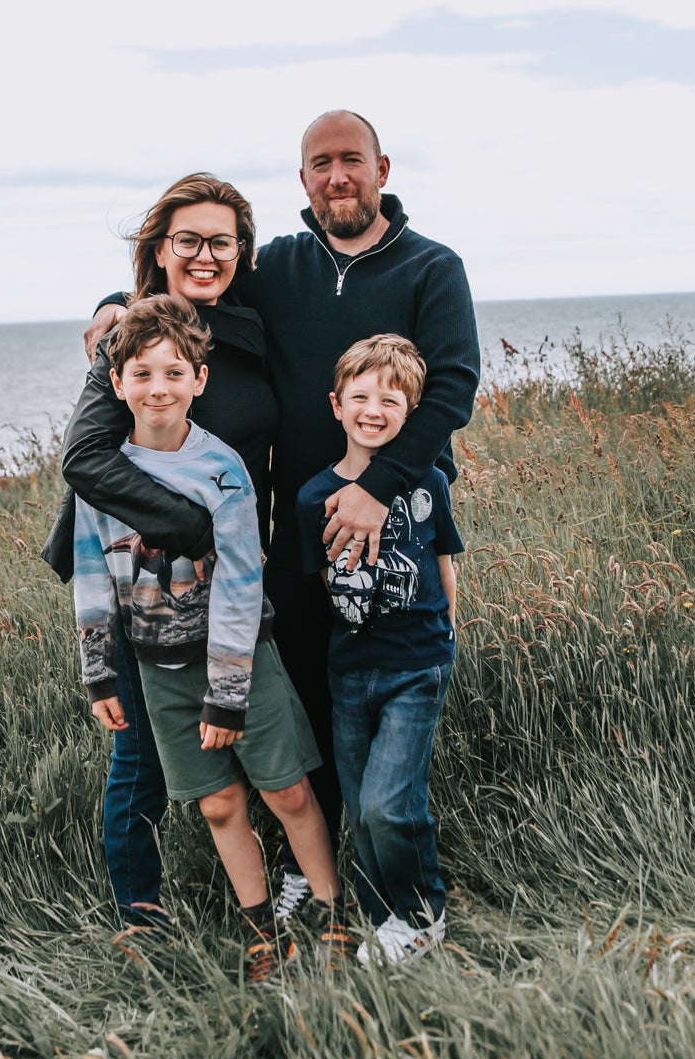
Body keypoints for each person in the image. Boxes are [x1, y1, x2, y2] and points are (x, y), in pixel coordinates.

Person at [78, 110, 480, 917]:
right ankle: (271, 878)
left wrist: (380, 487)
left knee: (368, 690)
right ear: (303, 180)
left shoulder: (433, 268)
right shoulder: (280, 267)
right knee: (291, 695)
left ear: (382, 168)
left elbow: (453, 389)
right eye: (321, 163)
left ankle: (382, 875)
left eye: (352, 161)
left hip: (379, 519)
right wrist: (109, 306)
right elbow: (185, 277)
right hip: (283, 533)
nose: (338, 176)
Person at [70, 294, 350, 980]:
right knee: (220, 802)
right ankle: (263, 932)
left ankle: (333, 912)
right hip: (159, 667)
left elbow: (239, 585)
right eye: (141, 374)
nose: (157, 387)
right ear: (117, 384)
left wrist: (227, 695)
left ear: (199, 380)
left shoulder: (222, 470)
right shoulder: (100, 472)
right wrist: (99, 672)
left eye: (173, 373)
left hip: (240, 660)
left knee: (285, 791)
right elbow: (89, 574)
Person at [44, 172, 278, 933]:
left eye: (221, 241)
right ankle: (140, 920)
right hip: (140, 581)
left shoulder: (251, 325)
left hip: (238, 586)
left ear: (243, 250)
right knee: (141, 761)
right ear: (159, 248)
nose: (205, 255)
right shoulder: (131, 334)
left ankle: (277, 890)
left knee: (253, 737)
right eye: (188, 240)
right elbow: (84, 459)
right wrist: (196, 531)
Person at [296, 335, 461, 962]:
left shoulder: (428, 485)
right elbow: (323, 585)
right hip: (349, 671)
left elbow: (444, 565)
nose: (373, 409)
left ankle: (423, 913)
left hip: (416, 665)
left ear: (411, 412)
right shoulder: (315, 496)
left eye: (390, 399)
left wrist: (448, 634)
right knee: (361, 810)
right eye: (360, 396)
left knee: (391, 804)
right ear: (336, 406)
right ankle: (382, 914)